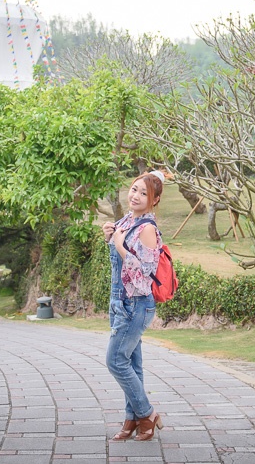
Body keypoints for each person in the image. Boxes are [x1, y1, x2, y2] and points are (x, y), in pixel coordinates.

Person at [101, 170, 166, 442]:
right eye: (134, 189)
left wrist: (119, 245)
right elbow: (117, 264)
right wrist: (109, 238)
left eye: (143, 193)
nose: (136, 196)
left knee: (115, 361)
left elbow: (144, 275)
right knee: (132, 365)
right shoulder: (127, 220)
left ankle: (147, 414)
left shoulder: (148, 229)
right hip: (119, 301)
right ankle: (132, 420)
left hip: (136, 305)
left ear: (155, 200)